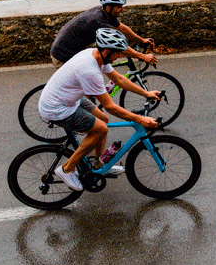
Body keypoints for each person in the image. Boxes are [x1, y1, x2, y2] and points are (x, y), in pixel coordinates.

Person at [39, 28, 160, 191]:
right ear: (107, 51)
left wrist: (146, 93)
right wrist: (140, 119)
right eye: (118, 53)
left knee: (103, 120)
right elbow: (110, 106)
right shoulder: (90, 70)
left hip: (69, 98)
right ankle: (67, 169)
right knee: (100, 129)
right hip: (57, 108)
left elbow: (118, 79)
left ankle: (100, 163)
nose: (119, 56)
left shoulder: (95, 55)